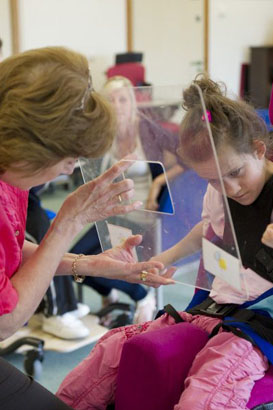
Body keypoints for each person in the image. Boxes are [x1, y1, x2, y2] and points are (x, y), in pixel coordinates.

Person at [57, 75, 273, 410]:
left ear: (259, 150)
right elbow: (208, 231)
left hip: (261, 323)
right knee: (114, 349)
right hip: (219, 307)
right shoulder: (220, 193)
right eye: (212, 180)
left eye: (235, 173)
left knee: (211, 387)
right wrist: (165, 257)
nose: (228, 189)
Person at [0, 46, 175, 410]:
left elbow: (10, 252)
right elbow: (6, 320)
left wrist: (91, 263)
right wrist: (67, 223)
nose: (69, 170)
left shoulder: (10, 177)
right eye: (68, 159)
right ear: (29, 147)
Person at [78, 75, 184, 323]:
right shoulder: (105, 133)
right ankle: (110, 291)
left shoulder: (146, 128)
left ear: (132, 102)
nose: (117, 105)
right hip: (111, 212)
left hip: (141, 212)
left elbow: (186, 157)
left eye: (122, 99)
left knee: (94, 266)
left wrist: (159, 183)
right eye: (110, 100)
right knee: (74, 260)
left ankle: (142, 294)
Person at [26, 186, 91, 339]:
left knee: (50, 240)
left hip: (25, 195)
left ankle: (59, 305)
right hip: (11, 194)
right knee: (42, 244)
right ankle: (55, 313)